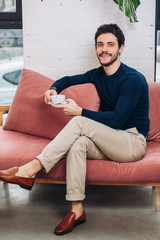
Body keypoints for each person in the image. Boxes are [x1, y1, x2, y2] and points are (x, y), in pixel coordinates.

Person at [0, 24, 150, 235]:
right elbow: (69, 79)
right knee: (78, 144)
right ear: (96, 49)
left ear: (121, 48)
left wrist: (79, 112)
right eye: (100, 45)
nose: (104, 49)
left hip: (131, 143)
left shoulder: (132, 80)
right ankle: (76, 210)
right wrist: (53, 88)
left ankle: (30, 169)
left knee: (79, 122)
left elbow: (117, 120)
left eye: (110, 44)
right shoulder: (98, 75)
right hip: (109, 142)